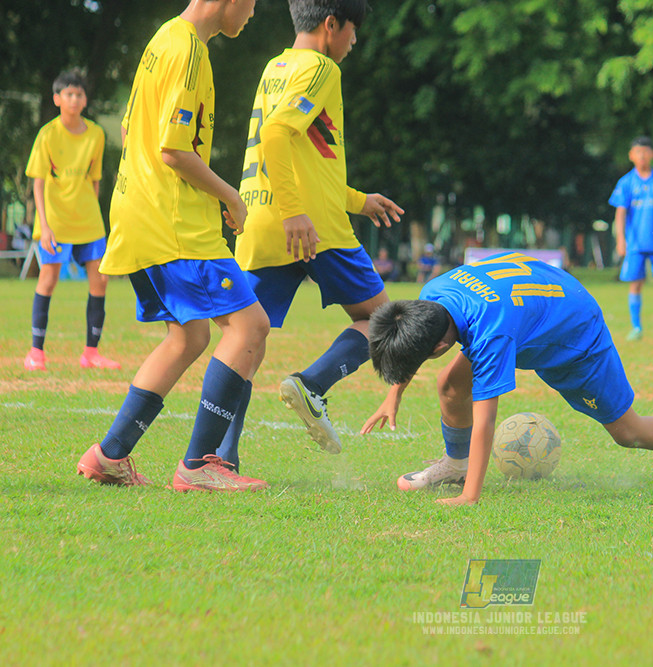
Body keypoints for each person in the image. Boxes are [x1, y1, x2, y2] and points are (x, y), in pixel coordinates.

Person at [361, 252, 653, 506]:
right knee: (450, 386)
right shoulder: (433, 296)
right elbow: (412, 342)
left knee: (628, 432)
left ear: (442, 342)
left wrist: (471, 499)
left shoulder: (491, 332)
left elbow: (486, 420)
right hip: (537, 307)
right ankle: (456, 466)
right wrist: (394, 394)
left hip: (574, 337)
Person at [75, 0, 271, 492]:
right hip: (173, 224)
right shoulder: (188, 51)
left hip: (137, 216)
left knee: (189, 337)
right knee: (250, 326)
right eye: (252, 2)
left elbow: (129, 127)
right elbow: (174, 150)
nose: (252, 13)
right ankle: (199, 465)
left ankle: (109, 455)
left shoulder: (162, 40)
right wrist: (231, 196)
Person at [235, 0, 403, 455]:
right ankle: (312, 384)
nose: (354, 40)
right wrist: (295, 212)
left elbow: (308, 161)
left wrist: (358, 200)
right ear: (331, 25)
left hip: (261, 221)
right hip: (311, 228)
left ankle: (219, 457)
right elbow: (275, 135)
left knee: (245, 340)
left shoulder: (275, 68)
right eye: (353, 30)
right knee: (383, 322)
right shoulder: (322, 68)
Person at [23, 69, 120, 372]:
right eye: (69, 94)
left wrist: (93, 211)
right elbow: (37, 183)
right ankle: (36, 352)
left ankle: (91, 352)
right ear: (57, 99)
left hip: (88, 222)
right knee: (48, 279)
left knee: (100, 280)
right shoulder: (47, 135)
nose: (74, 98)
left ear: (85, 99)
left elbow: (95, 180)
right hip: (56, 222)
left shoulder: (96, 134)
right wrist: (45, 225)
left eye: (79, 94)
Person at [609, 136, 653, 343]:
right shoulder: (626, 183)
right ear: (631, 156)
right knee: (635, 284)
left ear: (652, 154)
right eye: (637, 152)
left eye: (645, 151)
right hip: (636, 242)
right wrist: (620, 239)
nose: (642, 156)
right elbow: (620, 214)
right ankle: (636, 327)